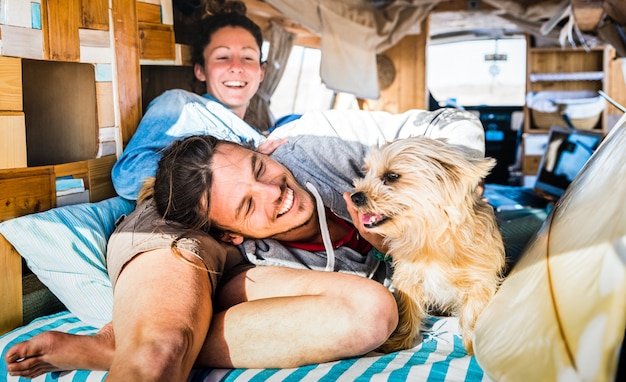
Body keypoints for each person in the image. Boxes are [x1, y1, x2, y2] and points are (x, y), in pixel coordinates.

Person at [3, 1, 487, 380]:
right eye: (222, 58)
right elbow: (131, 179)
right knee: (158, 350)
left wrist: (452, 188)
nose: (237, 68)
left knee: (370, 311)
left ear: (262, 68)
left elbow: (448, 131)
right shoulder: (182, 107)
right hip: (172, 212)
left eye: (249, 59)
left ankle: (118, 344)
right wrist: (239, 163)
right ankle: (137, 342)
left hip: (234, 219)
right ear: (200, 69)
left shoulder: (288, 135)